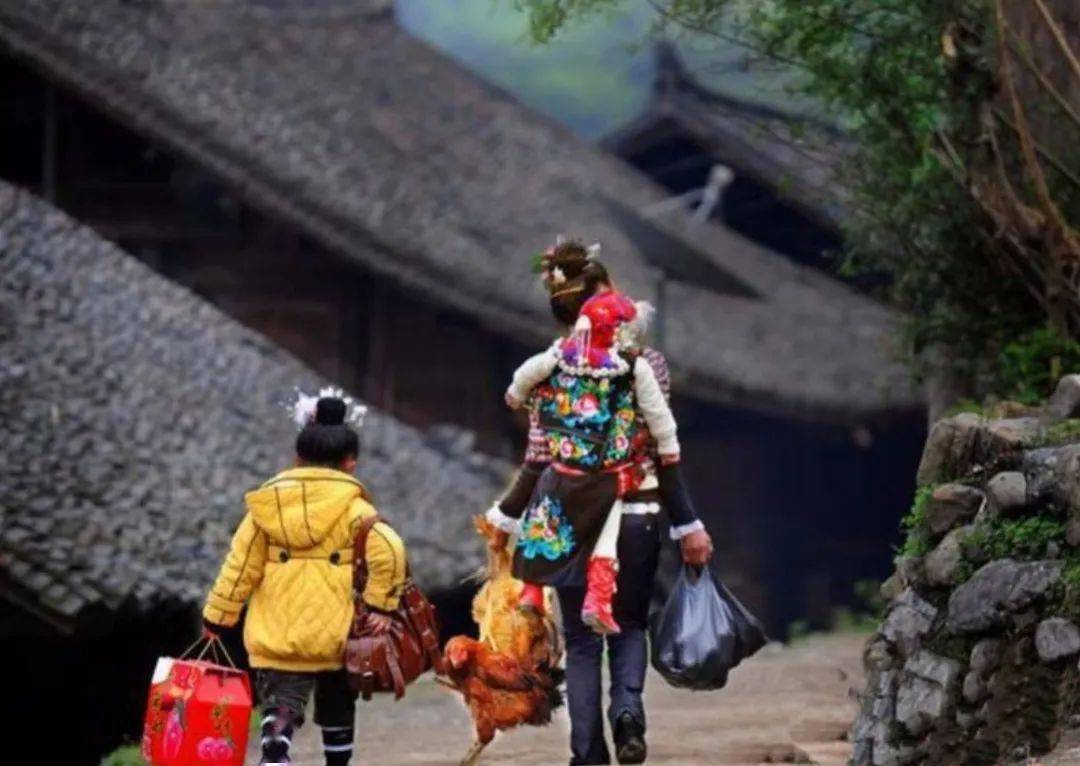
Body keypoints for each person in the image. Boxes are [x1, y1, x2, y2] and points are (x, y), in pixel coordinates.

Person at [486, 240, 713, 765]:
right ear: (597, 301)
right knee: (629, 624)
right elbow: (665, 451)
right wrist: (688, 524)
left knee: (583, 642)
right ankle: (628, 715)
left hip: (566, 517)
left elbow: (539, 459)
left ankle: (587, 753)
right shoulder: (645, 363)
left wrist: (507, 515)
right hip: (637, 512)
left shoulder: (549, 369)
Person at [202, 393, 406, 766]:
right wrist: (381, 604)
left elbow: (240, 564)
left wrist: (217, 616)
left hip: (278, 629)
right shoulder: (357, 510)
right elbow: (390, 551)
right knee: (336, 707)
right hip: (337, 631)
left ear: (297, 459)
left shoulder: (266, 508)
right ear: (350, 464)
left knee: (282, 699)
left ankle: (276, 745)